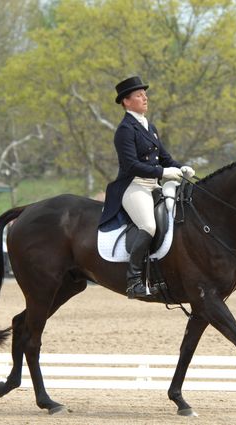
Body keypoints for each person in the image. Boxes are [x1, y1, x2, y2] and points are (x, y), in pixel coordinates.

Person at [98, 76, 195, 299]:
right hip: (133, 186)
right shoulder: (125, 130)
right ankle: (133, 281)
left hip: (153, 186)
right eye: (139, 95)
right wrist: (162, 173)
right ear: (126, 101)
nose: (145, 98)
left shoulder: (149, 126)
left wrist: (182, 167)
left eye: (145, 94)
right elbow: (131, 165)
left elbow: (165, 157)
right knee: (149, 226)